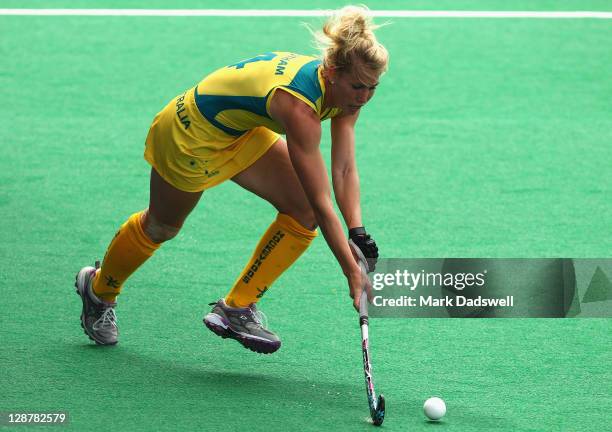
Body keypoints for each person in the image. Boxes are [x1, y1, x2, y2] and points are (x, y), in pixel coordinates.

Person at [75, 5, 388, 354]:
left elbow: (343, 168)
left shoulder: (346, 93)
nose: (364, 97)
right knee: (162, 227)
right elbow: (322, 198)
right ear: (332, 72)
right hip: (190, 134)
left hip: (239, 131)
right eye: (358, 87)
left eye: (373, 88)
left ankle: (236, 309)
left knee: (302, 210)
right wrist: (351, 272)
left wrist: (357, 233)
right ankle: (99, 289)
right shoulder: (299, 108)